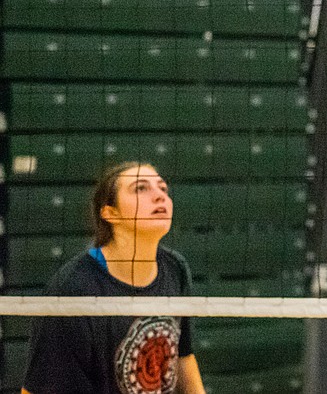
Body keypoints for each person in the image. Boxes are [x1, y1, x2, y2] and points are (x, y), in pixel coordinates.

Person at [22, 162, 206, 394]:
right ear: (110, 213)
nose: (160, 196)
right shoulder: (72, 288)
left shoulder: (175, 268)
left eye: (163, 188)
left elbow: (184, 357)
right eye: (140, 188)